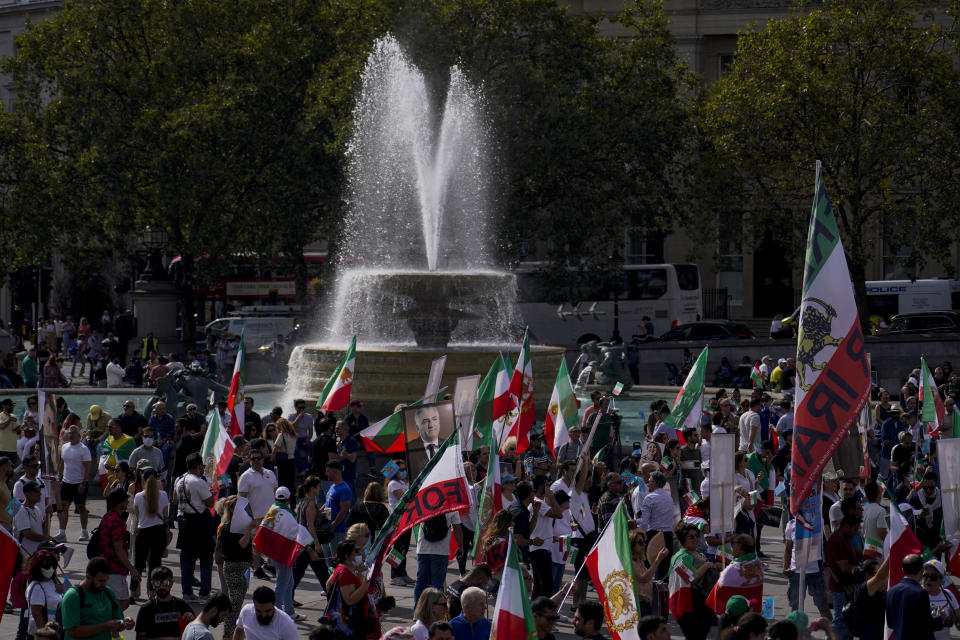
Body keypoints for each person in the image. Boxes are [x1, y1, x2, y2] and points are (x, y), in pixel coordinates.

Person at [60, 557, 134, 640]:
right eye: (101, 581)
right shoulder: (73, 596)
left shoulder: (108, 592)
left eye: (106, 580)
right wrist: (104, 627)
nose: (104, 584)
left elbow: (117, 624)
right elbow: (71, 632)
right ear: (88, 577)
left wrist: (125, 623)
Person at [214, 496, 256, 640]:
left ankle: (233, 634)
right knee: (234, 603)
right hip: (233, 567)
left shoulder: (242, 527)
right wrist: (249, 529)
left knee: (238, 602)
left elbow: (248, 547)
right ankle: (227, 635)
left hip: (244, 566)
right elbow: (242, 544)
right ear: (232, 509)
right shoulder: (226, 528)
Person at [175, 452, 216, 600]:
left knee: (187, 560)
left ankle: (187, 592)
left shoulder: (179, 480)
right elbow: (210, 503)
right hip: (199, 524)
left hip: (185, 522)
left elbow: (175, 500)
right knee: (206, 559)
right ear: (199, 466)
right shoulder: (198, 482)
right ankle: (204, 593)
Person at [668, 522, 719, 640]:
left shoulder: (698, 553)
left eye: (697, 535)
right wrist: (706, 566)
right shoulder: (681, 557)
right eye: (691, 536)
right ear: (682, 538)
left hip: (701, 601)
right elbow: (691, 578)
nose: (695, 539)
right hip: (688, 603)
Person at [237, 443, 277, 580]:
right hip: (255, 516)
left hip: (270, 515)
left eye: (258, 458)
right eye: (253, 459)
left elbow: (274, 492)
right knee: (257, 545)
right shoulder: (246, 476)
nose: (256, 461)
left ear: (262, 459)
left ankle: (269, 565)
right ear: (249, 461)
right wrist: (249, 517)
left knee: (271, 542)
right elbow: (241, 499)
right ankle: (257, 568)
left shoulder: (270, 474)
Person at [887, 553, 948, 640]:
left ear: (902, 570)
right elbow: (926, 626)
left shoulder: (891, 591)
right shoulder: (920, 593)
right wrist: (939, 619)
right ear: (921, 570)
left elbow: (890, 623)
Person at [325, 542, 379, 639]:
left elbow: (328, 585)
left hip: (351, 619)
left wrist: (359, 573)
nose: (361, 554)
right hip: (350, 622)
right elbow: (349, 600)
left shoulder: (344, 568)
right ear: (347, 556)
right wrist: (366, 584)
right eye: (357, 552)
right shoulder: (345, 573)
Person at [98, 488, 139, 609]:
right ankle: (107, 623)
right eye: (126, 500)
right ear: (120, 503)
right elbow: (118, 549)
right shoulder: (117, 522)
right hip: (115, 569)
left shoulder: (107, 516)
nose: (127, 502)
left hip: (104, 565)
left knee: (109, 600)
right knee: (123, 602)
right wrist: (131, 568)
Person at [414, 509, 464, 606]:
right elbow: (457, 528)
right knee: (437, 584)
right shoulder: (451, 503)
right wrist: (460, 547)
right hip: (441, 550)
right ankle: (434, 612)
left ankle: (417, 611)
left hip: (423, 549)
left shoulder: (424, 497)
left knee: (421, 582)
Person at [132, 468, 168, 598]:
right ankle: (152, 592)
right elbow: (165, 515)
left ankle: (133, 591)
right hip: (158, 531)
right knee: (155, 563)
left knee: (139, 563)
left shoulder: (138, 496)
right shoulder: (163, 495)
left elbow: (137, 515)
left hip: (143, 531)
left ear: (143, 478)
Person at [827, 514, 863, 640]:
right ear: (846, 527)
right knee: (841, 621)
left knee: (844, 620)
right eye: (855, 529)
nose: (856, 532)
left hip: (844, 587)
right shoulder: (836, 541)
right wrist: (863, 571)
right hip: (841, 588)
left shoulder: (842, 539)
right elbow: (845, 567)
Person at [134, 566, 194, 640]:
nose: (161, 587)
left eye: (166, 583)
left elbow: (197, 630)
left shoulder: (182, 606)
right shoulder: (146, 609)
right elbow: (140, 637)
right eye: (157, 583)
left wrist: (194, 621)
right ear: (152, 584)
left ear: (171, 583)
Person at [637, 472, 675, 579]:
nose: (647, 484)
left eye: (649, 481)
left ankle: (650, 594)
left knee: (648, 570)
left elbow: (644, 522)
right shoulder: (669, 498)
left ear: (655, 483)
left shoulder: (650, 498)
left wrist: (640, 536)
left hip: (653, 536)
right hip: (668, 536)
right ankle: (664, 594)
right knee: (665, 572)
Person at [57, 424, 91, 541]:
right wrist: (59, 477)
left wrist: (83, 483)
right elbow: (62, 463)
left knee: (81, 507)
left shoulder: (83, 449)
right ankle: (62, 533)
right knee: (64, 506)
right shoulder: (65, 447)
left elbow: (87, 468)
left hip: (79, 483)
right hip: (66, 482)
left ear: (79, 435)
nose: (71, 435)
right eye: (70, 433)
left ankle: (84, 532)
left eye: (74, 433)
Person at [232, 586, 299, 640]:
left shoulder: (286, 624)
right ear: (254, 604)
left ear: (274, 604)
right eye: (258, 611)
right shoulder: (246, 611)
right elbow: (239, 631)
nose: (263, 615)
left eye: (267, 611)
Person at [386, 459, 413, 586]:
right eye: (401, 470)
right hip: (398, 519)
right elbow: (404, 499)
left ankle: (402, 572)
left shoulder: (403, 482)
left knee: (404, 547)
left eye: (404, 469)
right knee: (397, 548)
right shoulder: (393, 484)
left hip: (407, 519)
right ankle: (394, 575)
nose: (404, 472)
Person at [24, 550, 62, 639]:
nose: (50, 568)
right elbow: (37, 613)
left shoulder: (51, 582)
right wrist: (43, 635)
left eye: (53, 565)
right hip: (45, 633)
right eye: (47, 565)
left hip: (55, 630)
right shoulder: (37, 587)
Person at [921, 559, 960, 640]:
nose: (928, 580)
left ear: (941, 580)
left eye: (933, 577)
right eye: (925, 576)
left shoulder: (948, 595)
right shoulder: (915, 595)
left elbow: (957, 620)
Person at [324, 460, 352, 547]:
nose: (326, 473)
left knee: (336, 559)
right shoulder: (332, 486)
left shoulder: (344, 489)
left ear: (335, 471)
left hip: (338, 531)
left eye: (328, 471)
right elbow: (328, 504)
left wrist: (333, 524)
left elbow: (344, 510)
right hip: (328, 529)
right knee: (327, 559)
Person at [14, 481, 47, 555]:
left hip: (36, 554)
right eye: (36, 491)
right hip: (24, 555)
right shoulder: (20, 510)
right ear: (27, 494)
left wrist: (48, 515)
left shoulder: (37, 509)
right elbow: (27, 534)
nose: (40, 494)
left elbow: (43, 531)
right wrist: (44, 538)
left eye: (39, 491)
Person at [271, 417, 298, 500]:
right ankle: (293, 504)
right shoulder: (293, 435)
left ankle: (282, 500)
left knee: (282, 482)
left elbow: (275, 448)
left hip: (282, 461)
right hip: (291, 460)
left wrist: (271, 458)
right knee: (291, 483)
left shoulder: (282, 435)